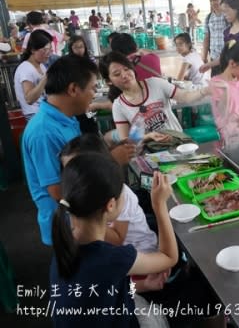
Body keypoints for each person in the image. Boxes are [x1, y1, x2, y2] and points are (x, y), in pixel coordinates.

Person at [50, 153, 177, 327]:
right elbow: (169, 257)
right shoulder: (111, 258)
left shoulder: (63, 246)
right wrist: (159, 205)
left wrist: (143, 285)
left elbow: (100, 289)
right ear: (110, 205)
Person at [59, 134, 170, 293]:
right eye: (68, 170)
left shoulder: (119, 195)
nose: (75, 177)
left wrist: (85, 222)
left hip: (143, 257)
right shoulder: (102, 257)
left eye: (81, 167)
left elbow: (118, 240)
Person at [21, 55, 99, 245]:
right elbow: (57, 191)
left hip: (78, 214)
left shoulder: (66, 116)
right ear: (73, 89)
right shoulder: (43, 132)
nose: (95, 94)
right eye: (92, 88)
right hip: (67, 226)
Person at [99, 51, 211, 142]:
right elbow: (125, 140)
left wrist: (205, 91)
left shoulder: (155, 83)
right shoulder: (118, 106)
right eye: (117, 74)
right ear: (109, 81)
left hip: (179, 143)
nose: (124, 75)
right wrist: (147, 136)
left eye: (126, 69)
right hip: (150, 154)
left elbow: (185, 97)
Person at [200, 0, 239, 78]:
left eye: (226, 11)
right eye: (223, 12)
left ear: (236, 9)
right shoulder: (227, 32)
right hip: (231, 76)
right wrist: (209, 65)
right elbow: (224, 56)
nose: (224, 15)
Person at [210, 40, 239, 144]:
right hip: (229, 138)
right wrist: (226, 90)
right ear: (232, 63)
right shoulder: (216, 83)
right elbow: (221, 114)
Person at [14, 29, 52, 119]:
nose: (48, 54)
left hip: (44, 111)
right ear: (33, 50)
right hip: (34, 115)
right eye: (45, 50)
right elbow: (29, 99)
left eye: (50, 49)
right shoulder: (26, 69)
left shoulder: (41, 66)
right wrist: (46, 77)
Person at [201, 0, 228, 77]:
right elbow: (206, 38)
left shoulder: (228, 16)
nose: (213, 3)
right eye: (211, 0)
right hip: (214, 58)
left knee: (230, 86)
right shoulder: (208, 18)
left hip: (228, 58)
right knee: (216, 86)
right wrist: (204, 56)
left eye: (215, 0)